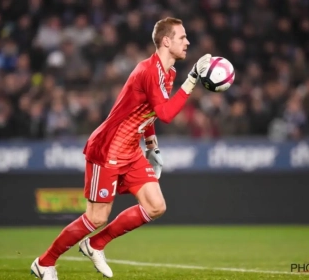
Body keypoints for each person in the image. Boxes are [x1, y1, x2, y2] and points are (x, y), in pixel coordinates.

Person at [30, 17, 211, 280]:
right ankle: (44, 263)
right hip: (108, 148)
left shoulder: (168, 73)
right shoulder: (148, 70)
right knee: (96, 217)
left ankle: (95, 244)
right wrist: (193, 79)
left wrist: (151, 145)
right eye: (183, 37)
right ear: (166, 41)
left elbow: (147, 113)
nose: (188, 41)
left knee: (155, 206)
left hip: (131, 149)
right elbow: (166, 113)